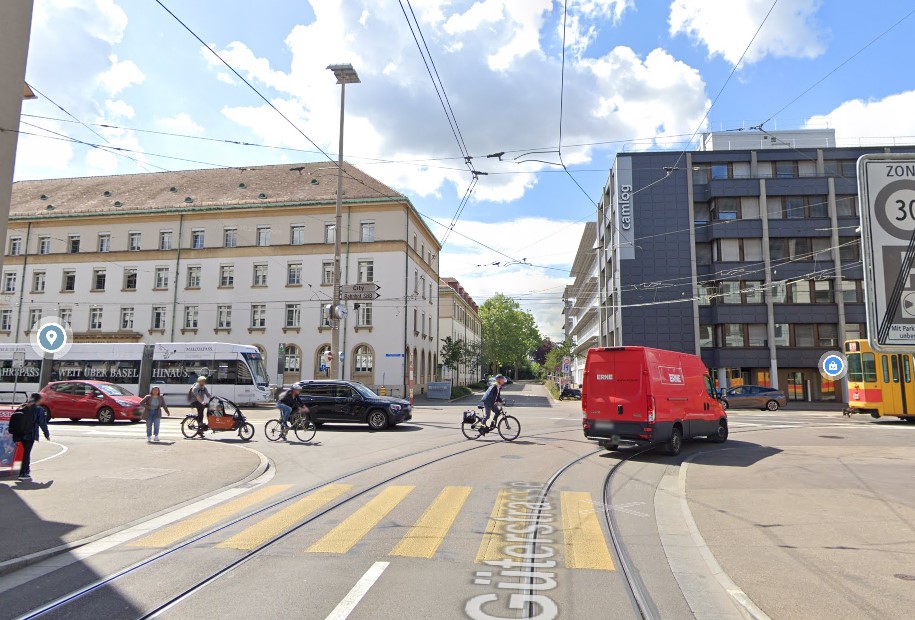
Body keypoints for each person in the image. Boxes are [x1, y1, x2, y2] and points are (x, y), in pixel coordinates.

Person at [11, 393, 50, 480]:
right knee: (27, 453)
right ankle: (23, 473)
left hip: (19, 433)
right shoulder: (38, 409)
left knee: (26, 452)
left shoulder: (22, 407)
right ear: (38, 400)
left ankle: (26, 470)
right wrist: (46, 434)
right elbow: (42, 423)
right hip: (30, 434)